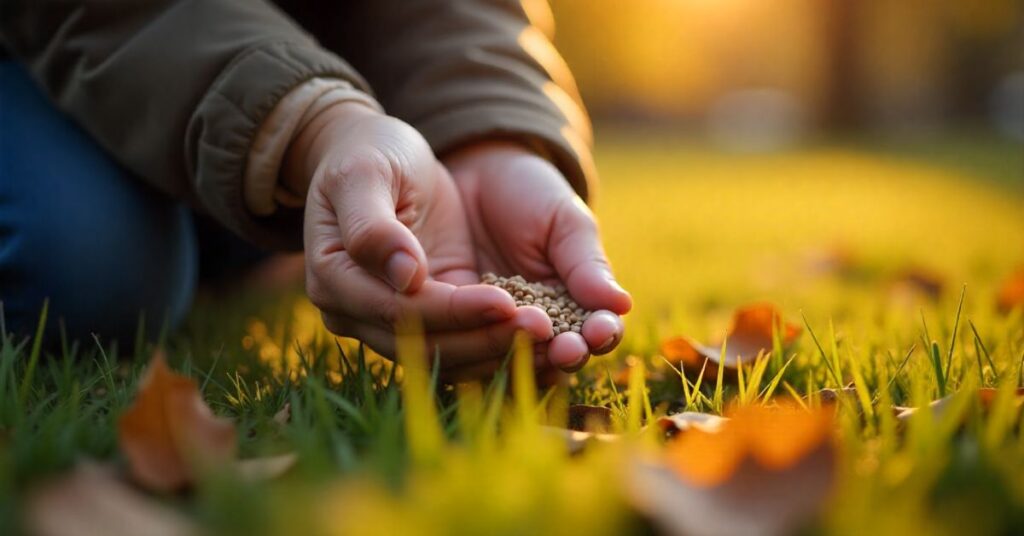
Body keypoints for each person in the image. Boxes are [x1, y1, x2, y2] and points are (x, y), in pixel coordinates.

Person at [0, 0, 631, 377]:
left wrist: (488, 139)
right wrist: (312, 124)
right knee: (85, 267)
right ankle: (257, 212)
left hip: (288, 51)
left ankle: (263, 208)